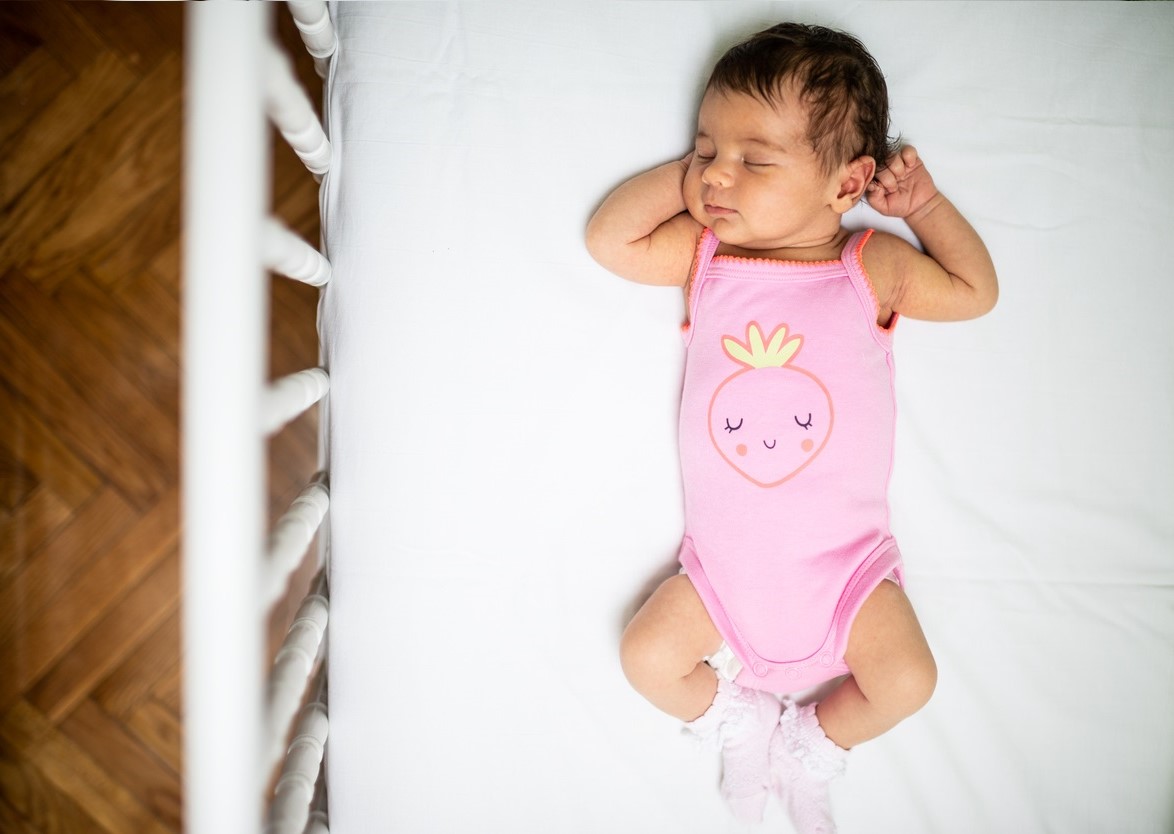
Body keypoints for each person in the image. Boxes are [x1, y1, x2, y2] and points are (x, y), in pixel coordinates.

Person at [585, 22, 997, 833]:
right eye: (706, 150)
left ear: (847, 185)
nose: (721, 176)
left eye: (756, 160)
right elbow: (610, 239)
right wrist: (695, 177)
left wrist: (929, 207)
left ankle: (816, 739)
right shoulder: (706, 257)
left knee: (909, 681)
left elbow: (973, 291)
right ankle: (735, 720)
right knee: (646, 657)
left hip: (848, 575)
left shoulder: (868, 266)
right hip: (722, 578)